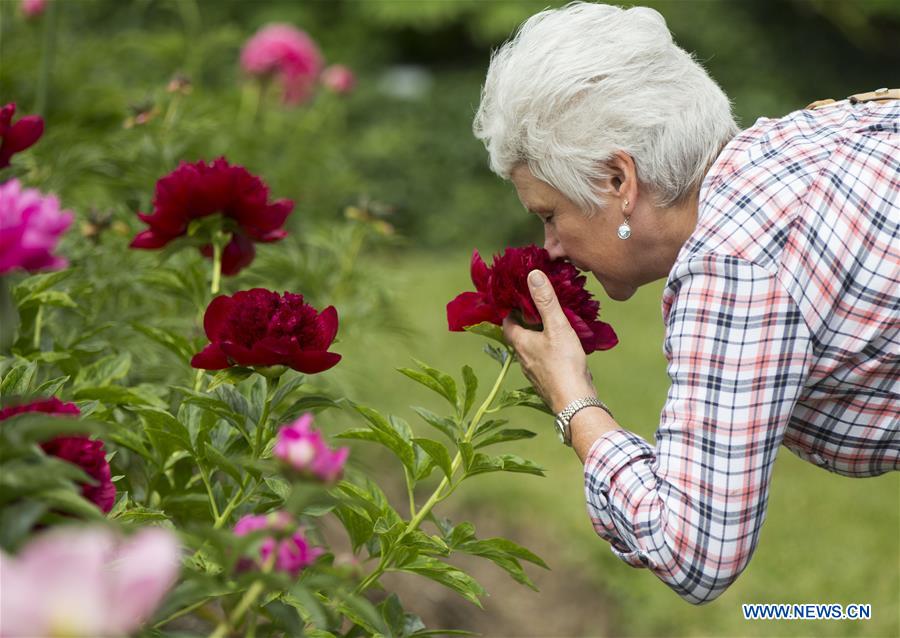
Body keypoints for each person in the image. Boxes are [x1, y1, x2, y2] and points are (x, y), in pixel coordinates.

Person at [472, 2, 899, 604]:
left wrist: (571, 397)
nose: (552, 247)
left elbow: (692, 550)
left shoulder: (734, 264)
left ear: (619, 180)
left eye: (550, 213)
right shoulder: (796, 140)